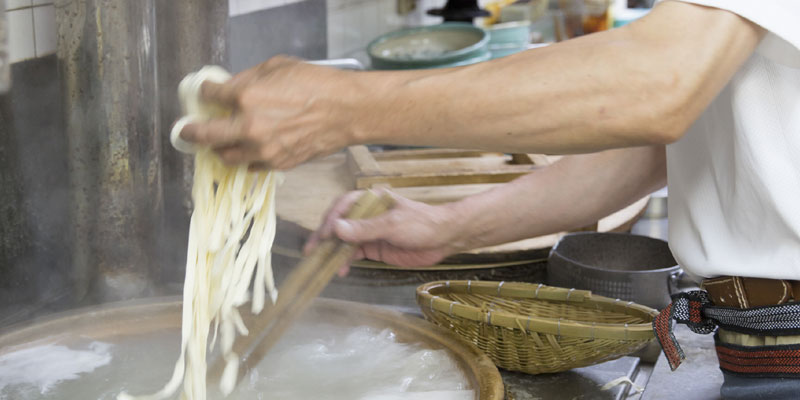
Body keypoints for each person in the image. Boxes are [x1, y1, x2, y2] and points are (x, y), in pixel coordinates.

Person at [178, 1, 800, 398]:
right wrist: (452, 226)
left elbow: (660, 87)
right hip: (759, 353)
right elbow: (667, 141)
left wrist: (340, 107)